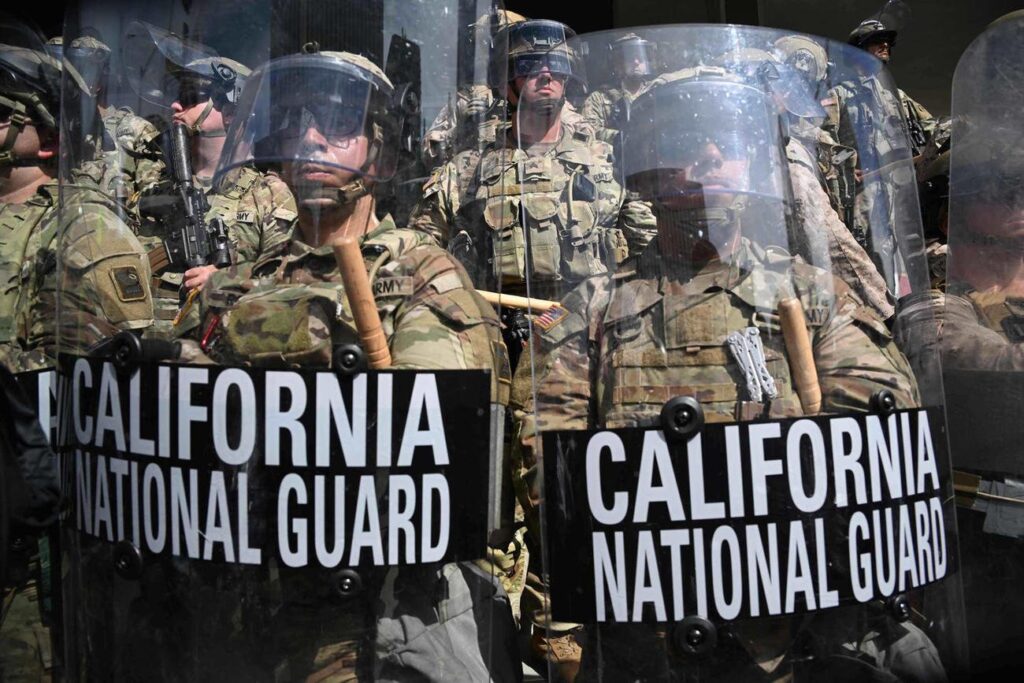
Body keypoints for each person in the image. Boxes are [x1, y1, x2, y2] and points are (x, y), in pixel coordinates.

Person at [512, 63, 947, 682]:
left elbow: (875, 443)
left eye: (730, 141)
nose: (711, 155)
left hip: (796, 625)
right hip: (646, 629)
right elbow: (548, 468)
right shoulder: (590, 310)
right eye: (687, 140)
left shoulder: (813, 296)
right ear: (645, 168)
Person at [190, 47, 519, 681]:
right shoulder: (237, 285)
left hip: (377, 614)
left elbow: (439, 466)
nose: (310, 138)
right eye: (297, 121)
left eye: (339, 123)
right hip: (246, 605)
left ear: (384, 157)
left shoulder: (424, 277)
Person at [411, 20, 629, 304]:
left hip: (589, 320)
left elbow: (645, 246)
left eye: (557, 65)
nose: (546, 75)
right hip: (495, 320)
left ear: (567, 78)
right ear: (505, 84)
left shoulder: (604, 161)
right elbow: (419, 252)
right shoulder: (467, 171)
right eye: (529, 66)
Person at [122, 22, 296, 339]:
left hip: (217, 348)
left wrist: (226, 279)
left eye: (191, 97)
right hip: (143, 345)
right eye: (178, 96)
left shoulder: (269, 194)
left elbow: (290, 280)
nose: (176, 105)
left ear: (231, 112)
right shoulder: (151, 184)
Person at [847, 17, 936, 158]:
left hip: (905, 168)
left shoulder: (897, 96)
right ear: (858, 50)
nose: (885, 44)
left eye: (887, 41)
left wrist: (956, 127)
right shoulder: (840, 95)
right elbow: (823, 141)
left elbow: (931, 127)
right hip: (864, 171)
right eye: (877, 40)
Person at [580, 33, 655, 133]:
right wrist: (620, 137)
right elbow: (588, 132)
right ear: (618, 62)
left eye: (640, 56)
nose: (636, 62)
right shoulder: (599, 99)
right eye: (630, 57)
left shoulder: (656, 91)